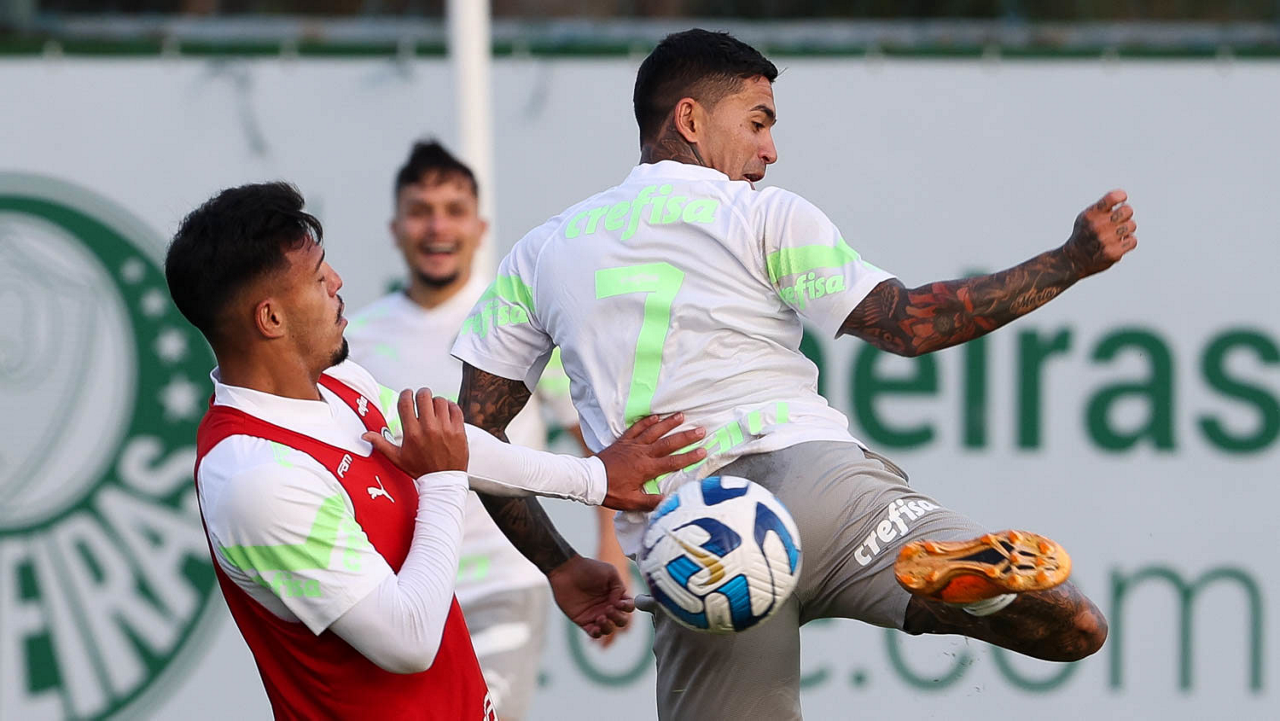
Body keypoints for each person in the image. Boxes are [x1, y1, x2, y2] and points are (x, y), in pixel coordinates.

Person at [451, 29, 1134, 720]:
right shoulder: (763, 215)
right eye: (758, 123)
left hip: (697, 540)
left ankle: (969, 586)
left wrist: (560, 563)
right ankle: (979, 593)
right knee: (1077, 627)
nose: (770, 150)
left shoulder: (539, 253)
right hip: (820, 487)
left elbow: (472, 439)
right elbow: (910, 324)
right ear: (689, 119)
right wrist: (1069, 260)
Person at [164, 182, 705, 720]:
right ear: (271, 319)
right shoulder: (257, 479)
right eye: (317, 276)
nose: (337, 282)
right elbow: (409, 641)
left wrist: (593, 485)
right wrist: (442, 480)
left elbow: (455, 444)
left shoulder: (337, 382)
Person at [346, 141, 634, 719]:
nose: (437, 227)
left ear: (479, 228)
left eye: (454, 210)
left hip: (505, 578)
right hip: (399, 587)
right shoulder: (357, 339)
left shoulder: (516, 322)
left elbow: (595, 445)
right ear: (396, 229)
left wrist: (611, 548)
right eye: (421, 211)